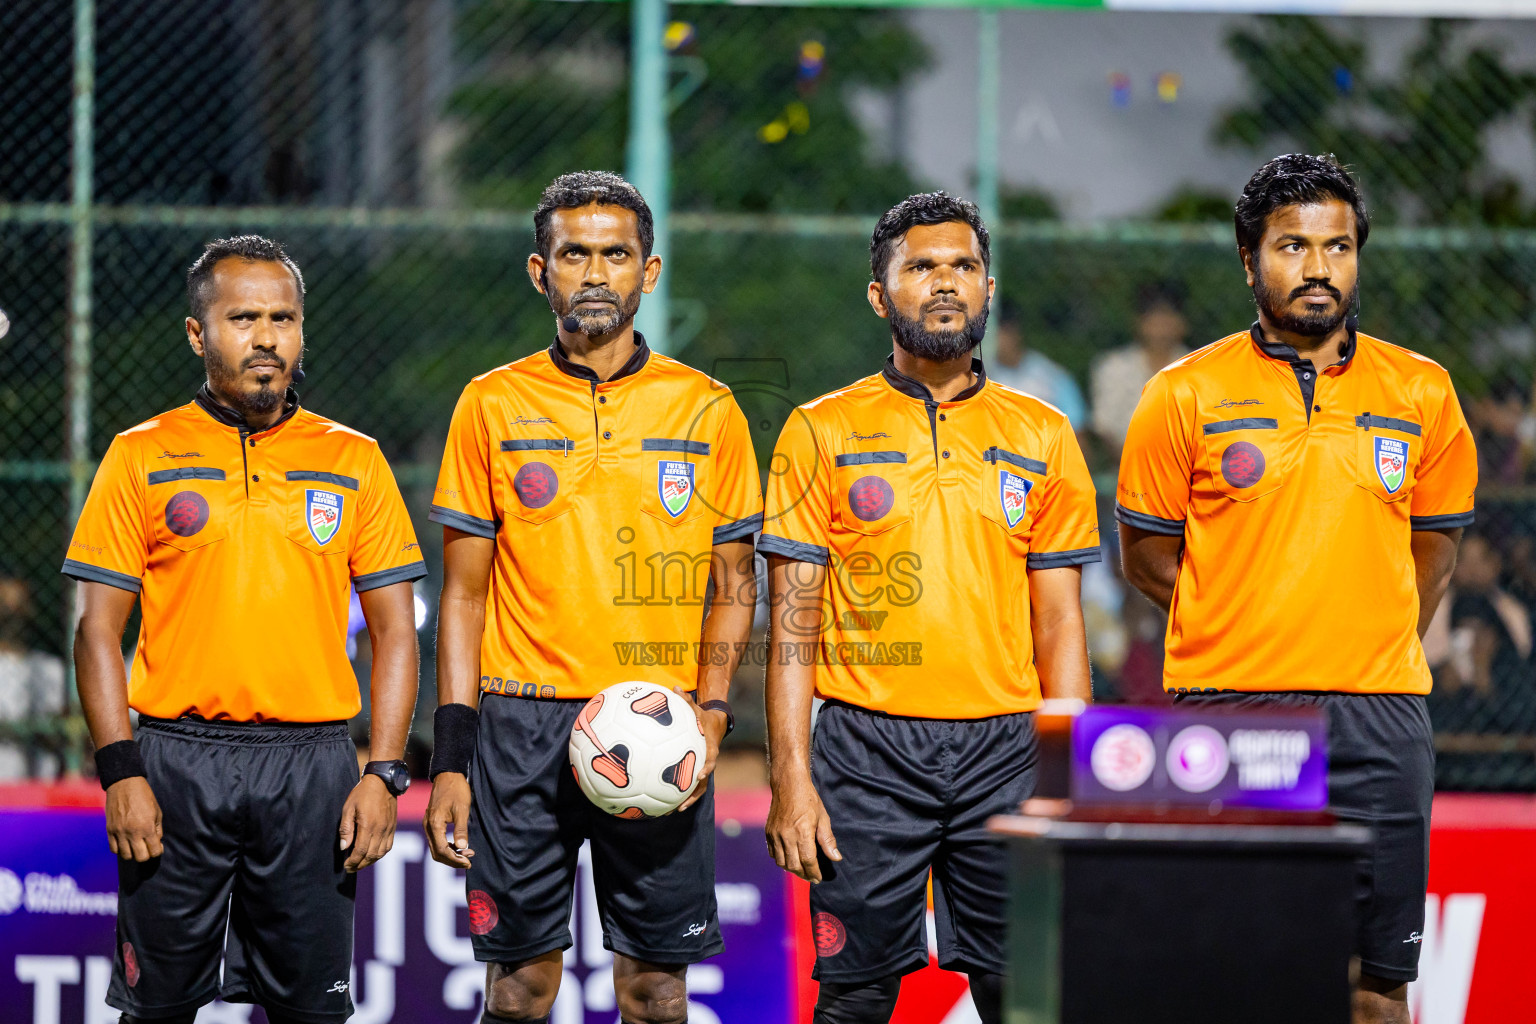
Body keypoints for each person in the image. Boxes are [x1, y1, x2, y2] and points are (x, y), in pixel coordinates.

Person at [1116, 154, 1477, 1024]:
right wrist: (1245, 613)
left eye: (1338, 246)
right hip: (1235, 714)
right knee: (1232, 976)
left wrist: (1368, 631)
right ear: (1249, 260)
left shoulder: (1421, 391)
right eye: (1293, 246)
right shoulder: (1182, 394)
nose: (1318, 267)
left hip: (1380, 715)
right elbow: (1145, 557)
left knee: (1377, 987)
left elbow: (1433, 552)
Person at [424, 171, 762, 1024]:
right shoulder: (491, 403)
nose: (597, 272)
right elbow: (461, 600)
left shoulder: (708, 408)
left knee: (655, 991)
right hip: (521, 729)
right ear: (542, 271)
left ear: (649, 273)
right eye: (575, 253)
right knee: (519, 989)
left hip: (655, 730)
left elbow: (734, 584)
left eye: (617, 254)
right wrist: (452, 757)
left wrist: (712, 712)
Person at [65, 235, 426, 1024]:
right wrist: (120, 770)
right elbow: (96, 631)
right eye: (243, 318)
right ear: (200, 334)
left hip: (314, 769)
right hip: (174, 762)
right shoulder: (140, 456)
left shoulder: (354, 460)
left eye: (283, 318)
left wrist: (384, 771)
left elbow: (395, 633)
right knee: (155, 1010)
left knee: (312, 1013)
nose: (266, 336)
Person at [761, 192, 1098, 1024]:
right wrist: (791, 776)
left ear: (989, 287)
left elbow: (1059, 622)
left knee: (1026, 999)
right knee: (854, 999)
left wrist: (1073, 774)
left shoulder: (1046, 434)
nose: (945, 282)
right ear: (880, 294)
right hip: (866, 751)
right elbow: (793, 626)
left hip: (1008, 752)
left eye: (963, 266)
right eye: (920, 266)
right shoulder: (819, 429)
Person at [1090, 280, 1191, 455]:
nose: (1160, 326)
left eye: (1167, 316)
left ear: (1182, 323)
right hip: (1125, 465)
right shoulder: (1112, 368)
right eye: (1153, 317)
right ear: (1137, 322)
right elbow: (1105, 429)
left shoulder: (1199, 366)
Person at [0, 574, 67, 779]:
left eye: (19, 607)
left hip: (43, 790)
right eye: (5, 608)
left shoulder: (52, 669)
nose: (13, 615)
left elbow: (67, 733)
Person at [988, 298, 1087, 430]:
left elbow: (1077, 431)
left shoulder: (1050, 376)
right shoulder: (974, 377)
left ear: (1014, 330)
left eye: (996, 331)